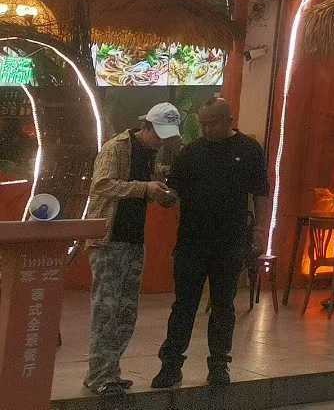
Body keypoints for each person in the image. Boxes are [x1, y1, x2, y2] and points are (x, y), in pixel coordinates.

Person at [152, 97, 267, 389]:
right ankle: (171, 365)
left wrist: (260, 229)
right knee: (184, 305)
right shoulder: (191, 152)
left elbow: (260, 193)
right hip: (192, 240)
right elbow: (174, 191)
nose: (206, 129)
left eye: (212, 124)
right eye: (202, 124)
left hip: (230, 240)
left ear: (229, 120)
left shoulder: (249, 150)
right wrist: (165, 196)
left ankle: (219, 364)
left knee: (223, 305)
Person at [83, 103, 181, 396]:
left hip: (134, 240)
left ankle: (109, 372)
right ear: (146, 126)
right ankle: (100, 375)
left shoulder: (152, 154)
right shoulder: (116, 148)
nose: (161, 141)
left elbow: (143, 189)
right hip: (108, 240)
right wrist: (145, 188)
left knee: (126, 312)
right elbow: (102, 185)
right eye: (158, 134)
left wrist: (159, 194)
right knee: (106, 310)